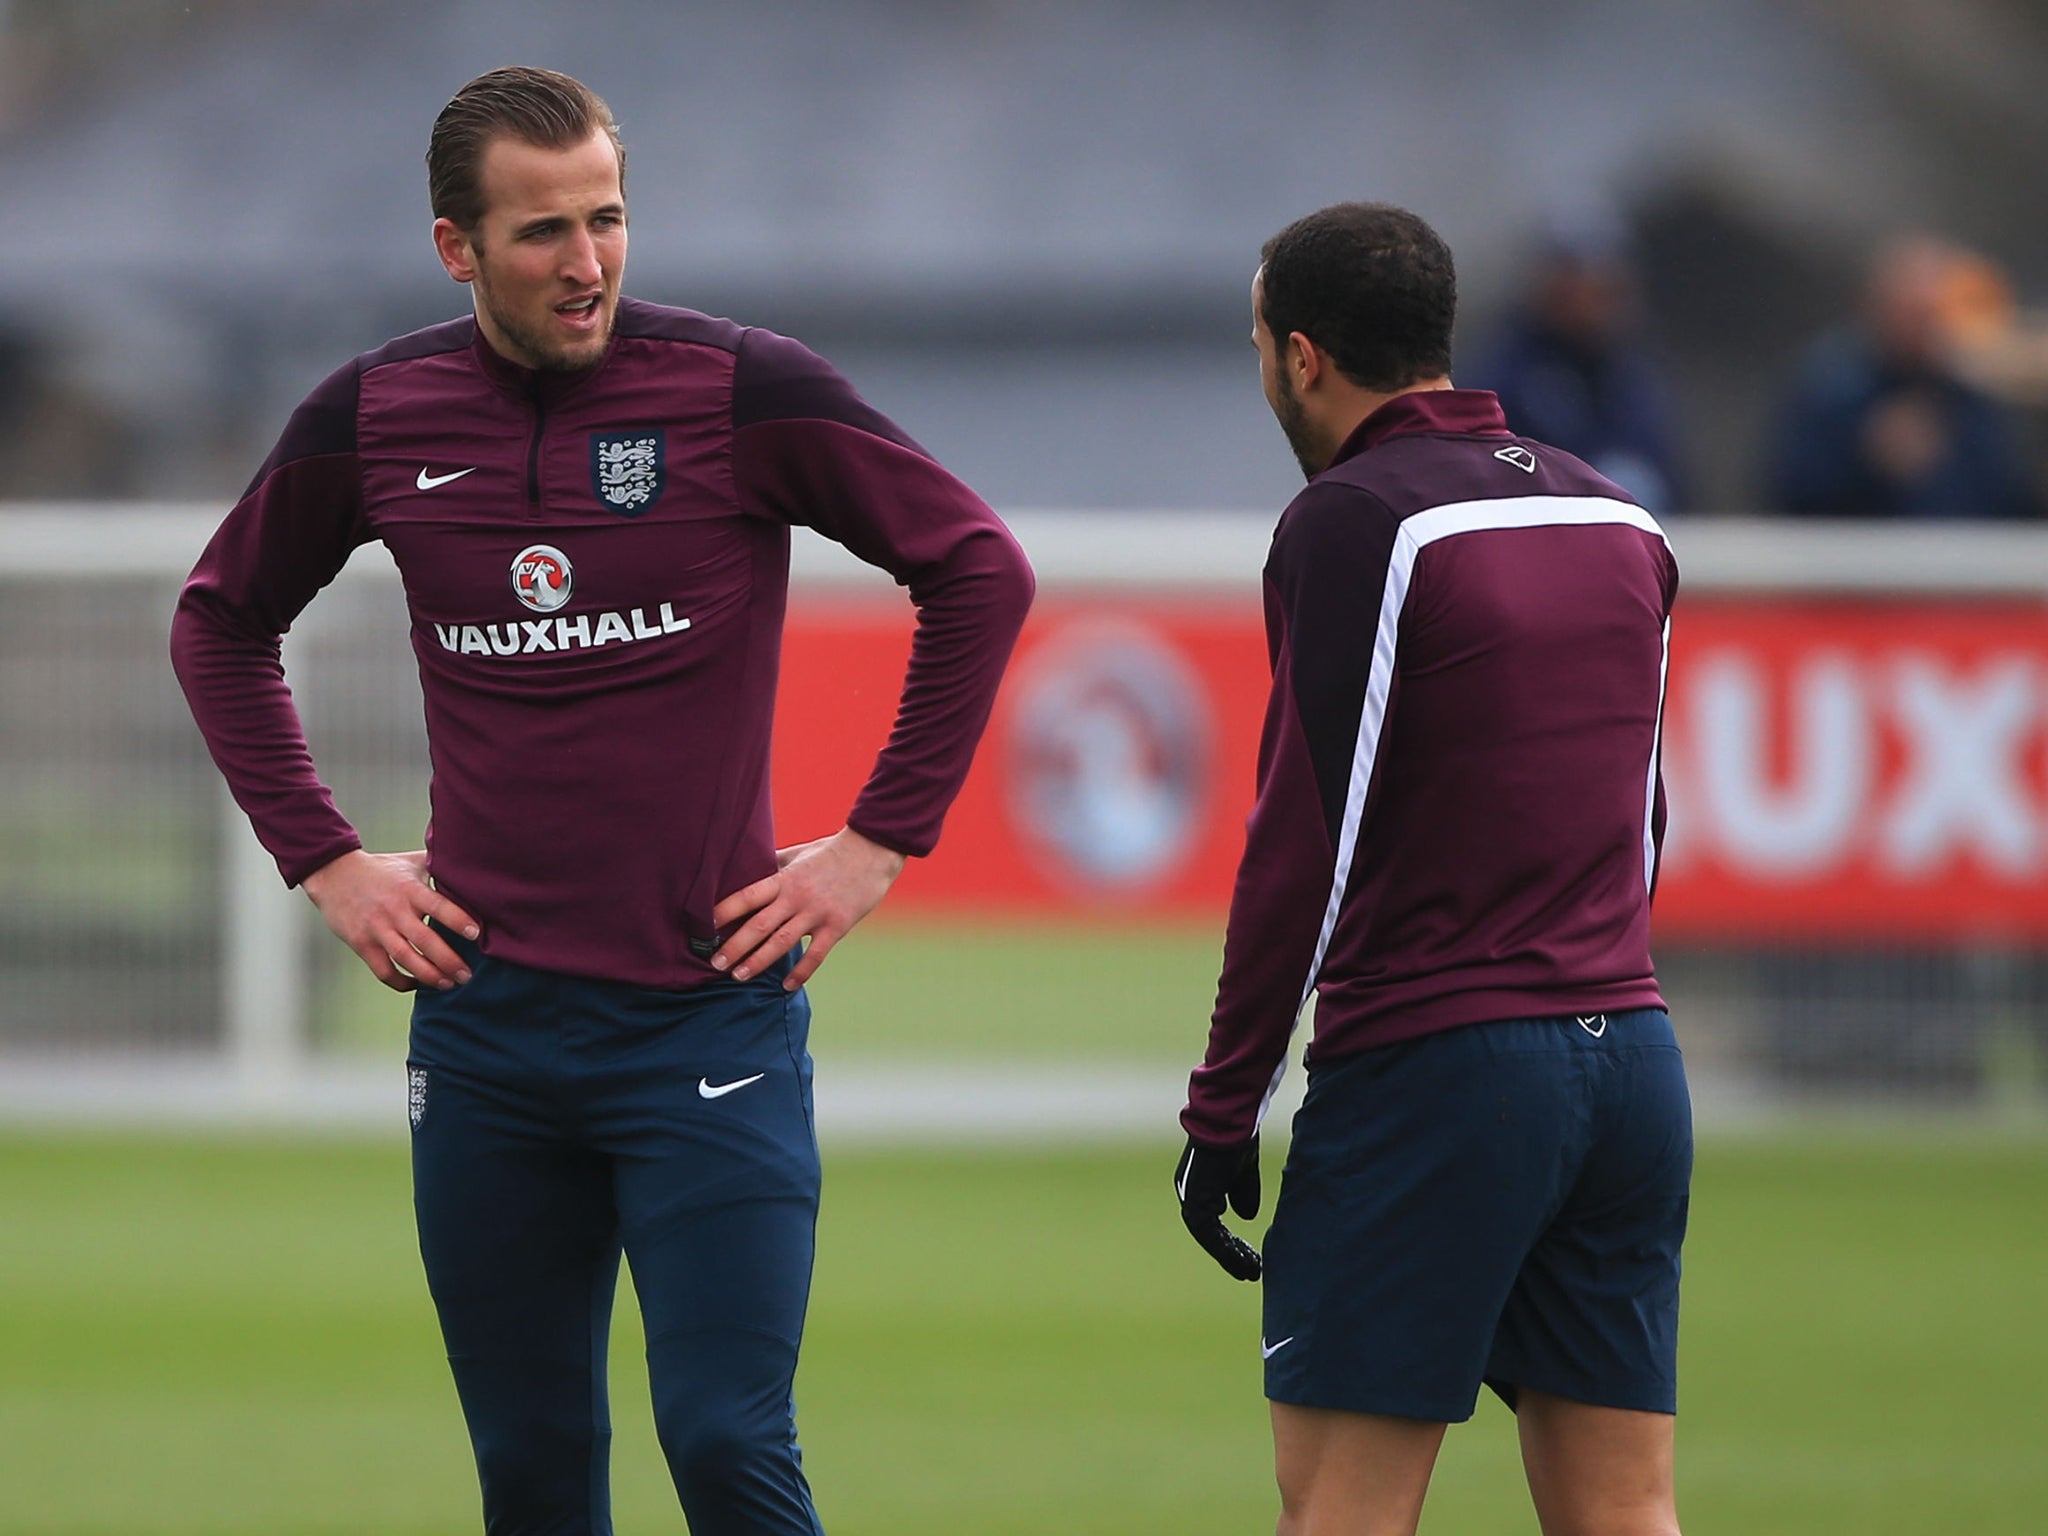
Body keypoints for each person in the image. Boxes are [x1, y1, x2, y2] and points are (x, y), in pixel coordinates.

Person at [170, 66, 1033, 1536]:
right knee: (533, 1469)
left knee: (724, 1444)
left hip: (705, 1021)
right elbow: (219, 619)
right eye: (542, 234)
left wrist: (877, 846)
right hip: (490, 1043)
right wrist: (326, 861)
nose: (587, 266)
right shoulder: (376, 412)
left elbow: (978, 569)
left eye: (609, 220)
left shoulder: (738, 389)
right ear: (456, 245)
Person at [1174, 202, 1688, 1536]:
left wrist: (1224, 1104)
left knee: (1341, 1507)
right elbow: (1646, 821)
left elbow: (1307, 840)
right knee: (1624, 1513)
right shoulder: (1616, 517)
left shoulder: (1355, 521)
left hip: (1438, 1072)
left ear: (1300, 357)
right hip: (1630, 1061)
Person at [1764, 234, 2041, 519]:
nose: (1923, 327)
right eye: (1911, 311)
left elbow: (2008, 491)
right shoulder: (1832, 384)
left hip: (1968, 555)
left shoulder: (1975, 386)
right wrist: (1869, 461)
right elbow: (1789, 491)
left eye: (1932, 313)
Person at [1464, 211, 1689, 515]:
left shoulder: (1634, 374)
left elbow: (1671, 471)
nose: (1592, 295)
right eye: (1577, 276)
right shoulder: (1505, 377)